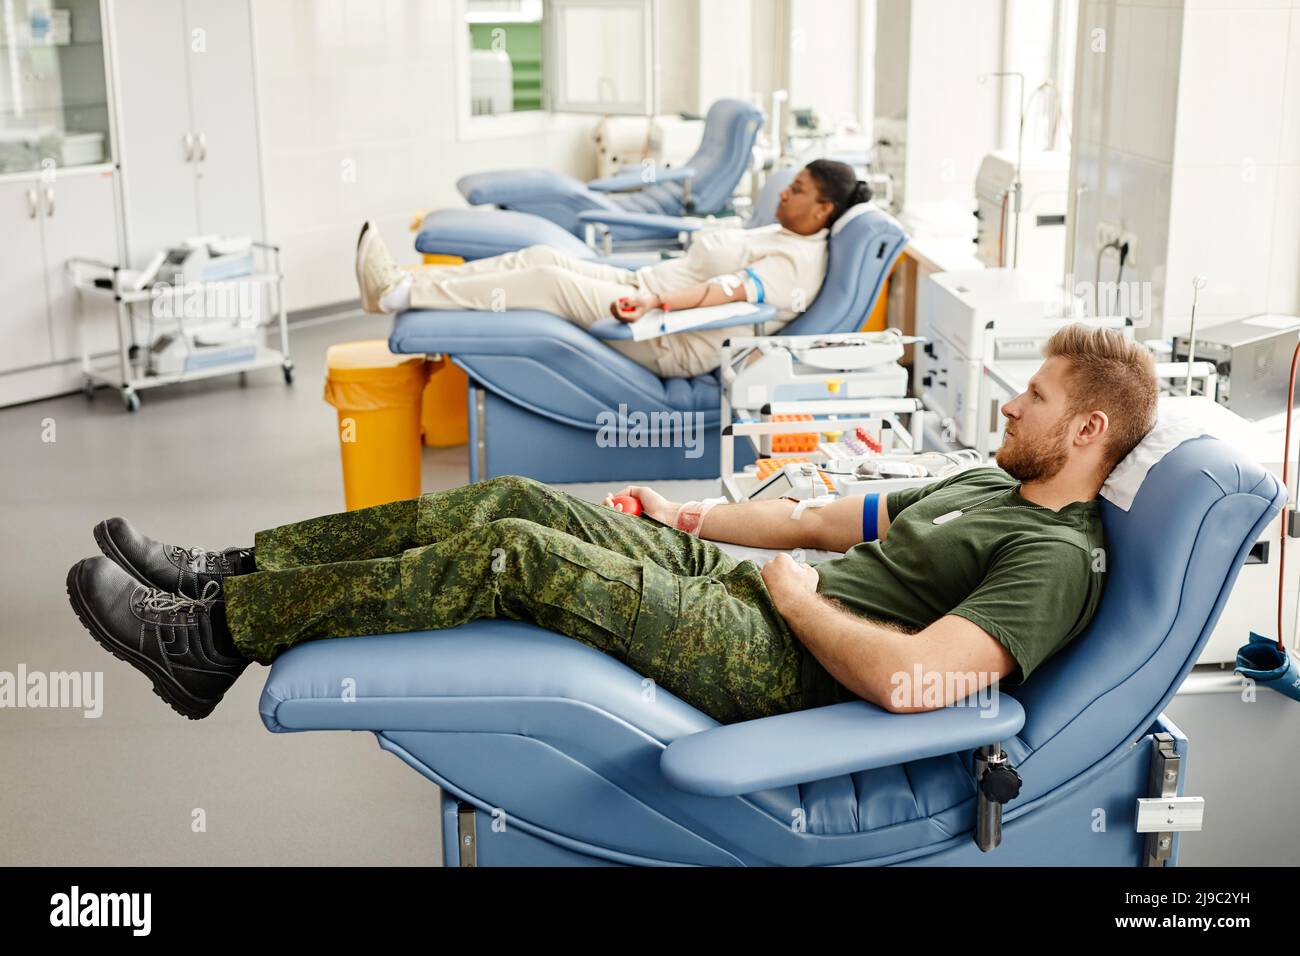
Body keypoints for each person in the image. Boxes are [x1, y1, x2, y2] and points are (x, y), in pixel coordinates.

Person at [66, 324, 1158, 725]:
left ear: (1087, 429)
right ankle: (230, 572)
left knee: (515, 557)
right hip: (749, 594)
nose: (1011, 401)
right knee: (524, 498)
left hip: (782, 660)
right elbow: (832, 517)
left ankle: (211, 638)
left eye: (1036, 398)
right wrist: (688, 513)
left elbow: (915, 679)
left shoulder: (1053, 557)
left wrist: (795, 604)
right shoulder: (989, 483)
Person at [354, 160, 872, 379]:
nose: (784, 191)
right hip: (643, 290)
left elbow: (728, 291)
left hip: (668, 336)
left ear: (824, 210)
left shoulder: (797, 262)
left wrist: (657, 303)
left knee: (547, 283)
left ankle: (399, 293)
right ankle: (403, 284)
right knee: (544, 257)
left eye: (798, 190)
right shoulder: (784, 230)